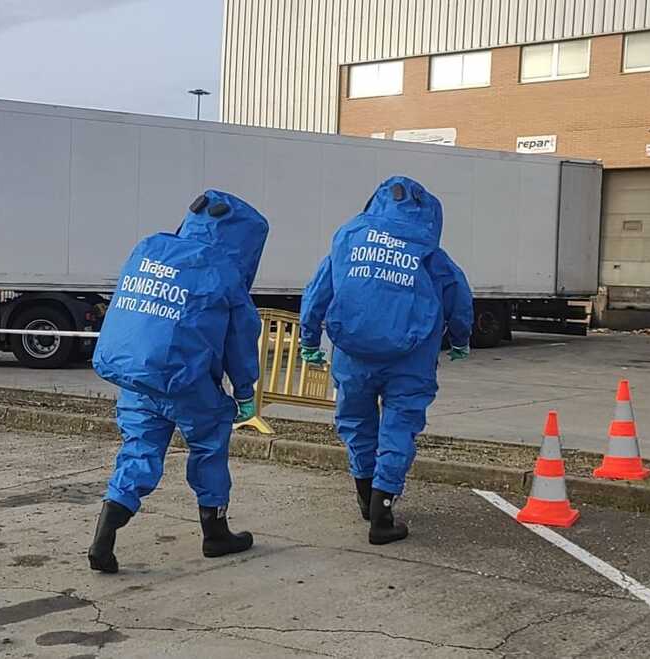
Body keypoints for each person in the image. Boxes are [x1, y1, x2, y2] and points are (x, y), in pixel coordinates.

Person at [88, 190, 269, 574]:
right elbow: (240, 342)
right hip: (188, 383)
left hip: (138, 379)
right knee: (209, 448)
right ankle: (215, 533)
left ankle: (104, 537)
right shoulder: (225, 273)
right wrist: (245, 393)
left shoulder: (151, 249)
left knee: (139, 452)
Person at [299, 176, 473, 545]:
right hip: (410, 357)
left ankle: (365, 496)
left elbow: (318, 291)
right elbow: (458, 296)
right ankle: (383, 510)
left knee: (356, 424)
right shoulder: (429, 252)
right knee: (399, 428)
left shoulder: (349, 239)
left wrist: (309, 339)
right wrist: (460, 339)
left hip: (353, 353)